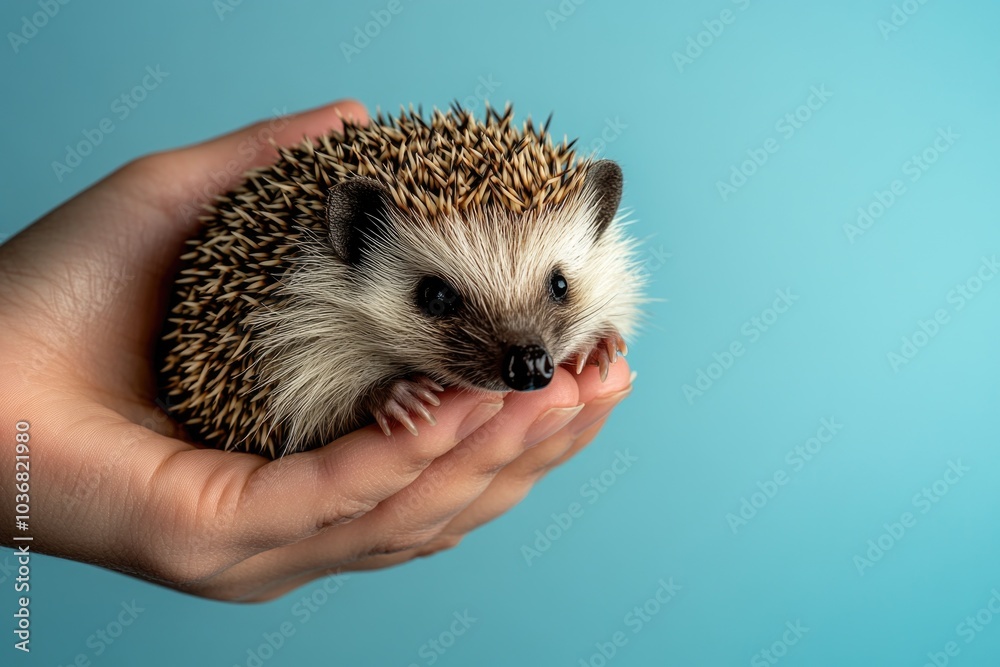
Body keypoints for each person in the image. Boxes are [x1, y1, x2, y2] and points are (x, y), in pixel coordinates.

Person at [0, 99, 633, 602]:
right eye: (440, 298)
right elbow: (283, 408)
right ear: (354, 249)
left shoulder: (589, 289)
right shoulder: (295, 313)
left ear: (599, 223)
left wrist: (591, 330)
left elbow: (606, 309)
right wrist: (371, 397)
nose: (525, 353)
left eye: (557, 289)